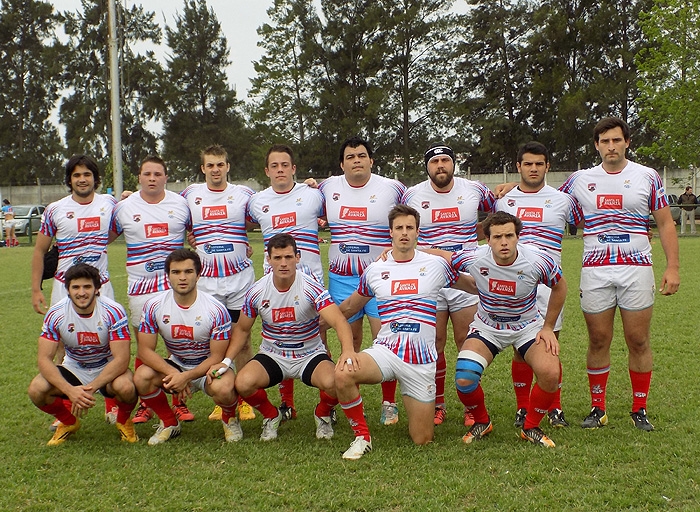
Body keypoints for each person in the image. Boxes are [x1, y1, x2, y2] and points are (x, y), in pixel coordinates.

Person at [559, 117, 680, 431]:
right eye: (604, 141)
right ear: (596, 145)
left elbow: (665, 223)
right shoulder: (580, 179)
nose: (611, 146)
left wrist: (672, 267)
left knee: (638, 340)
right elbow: (546, 200)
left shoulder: (647, 176)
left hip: (636, 268)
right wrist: (512, 189)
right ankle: (598, 408)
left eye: (616, 140)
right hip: (595, 270)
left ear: (627, 142)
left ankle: (639, 409)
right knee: (598, 339)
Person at [334, 204, 468, 460]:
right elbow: (351, 306)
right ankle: (362, 437)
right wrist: (317, 324)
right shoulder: (375, 270)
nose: (404, 232)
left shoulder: (436, 265)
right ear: (391, 232)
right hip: (386, 352)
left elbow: (471, 286)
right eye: (399, 228)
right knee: (343, 373)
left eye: (409, 227)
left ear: (418, 232)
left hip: (421, 361)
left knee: (422, 439)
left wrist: (503, 288)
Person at [438, 211, 567, 447]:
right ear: (487, 240)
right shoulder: (475, 257)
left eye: (509, 235)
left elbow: (560, 286)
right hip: (488, 326)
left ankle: (531, 427)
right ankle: (482, 422)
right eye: (497, 237)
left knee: (550, 373)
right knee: (465, 378)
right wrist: (403, 252)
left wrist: (548, 327)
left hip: (527, 326)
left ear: (518, 236)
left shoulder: (537, 260)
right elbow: (442, 256)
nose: (504, 242)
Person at [209, 233, 354, 442]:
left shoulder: (311, 287)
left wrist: (347, 351)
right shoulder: (256, 291)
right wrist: (226, 361)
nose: (283, 263)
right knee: (243, 383)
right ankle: (271, 415)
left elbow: (339, 321)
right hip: (273, 354)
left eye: (288, 257)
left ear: (298, 257)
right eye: (277, 258)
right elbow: (241, 330)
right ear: (268, 259)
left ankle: (322, 413)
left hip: (309, 353)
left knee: (338, 382)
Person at [402, 143, 495, 426]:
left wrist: (480, 234)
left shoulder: (475, 189)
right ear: (427, 166)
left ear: (453, 163)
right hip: (430, 277)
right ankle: (438, 404)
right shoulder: (413, 194)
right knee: (435, 342)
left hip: (466, 277)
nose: (440, 165)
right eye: (434, 161)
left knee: (466, 340)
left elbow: (495, 212)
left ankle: (470, 407)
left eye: (445, 160)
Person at [318, 136, 406, 425]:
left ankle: (389, 403)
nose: (356, 160)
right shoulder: (327, 187)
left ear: (371, 160)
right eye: (350, 156)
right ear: (341, 164)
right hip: (342, 277)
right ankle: (348, 398)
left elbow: (411, 219)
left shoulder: (393, 188)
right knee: (350, 339)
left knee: (385, 338)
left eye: (361, 155)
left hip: (381, 277)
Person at [496, 141, 583, 429]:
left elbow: (592, 222)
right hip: (515, 284)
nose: (533, 169)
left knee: (550, 344)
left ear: (548, 166)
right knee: (520, 348)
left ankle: (554, 407)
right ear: (518, 167)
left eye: (539, 164)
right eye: (528, 164)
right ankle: (523, 407)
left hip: (549, 285)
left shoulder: (563, 200)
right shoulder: (504, 201)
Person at [30, 155, 120, 424]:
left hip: (101, 285)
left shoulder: (109, 203)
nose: (82, 179)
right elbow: (39, 250)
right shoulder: (55, 209)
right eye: (76, 175)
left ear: (95, 178)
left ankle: (111, 405)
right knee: (62, 344)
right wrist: (36, 289)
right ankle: (69, 405)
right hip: (64, 286)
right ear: (69, 180)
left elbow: (115, 231)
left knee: (108, 340)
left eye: (87, 174)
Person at [111, 155, 195, 424]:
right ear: (139, 177)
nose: (152, 178)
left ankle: (178, 403)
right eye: (147, 174)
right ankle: (145, 404)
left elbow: (198, 232)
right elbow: (104, 237)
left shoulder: (181, 204)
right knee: (144, 346)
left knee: (176, 342)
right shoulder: (123, 207)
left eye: (157, 174)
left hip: (175, 285)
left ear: (166, 177)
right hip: (141, 287)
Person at [246, 144, 326, 421]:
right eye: (274, 166)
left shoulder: (314, 194)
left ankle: (326, 405)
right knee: (280, 335)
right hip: (274, 281)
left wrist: (316, 183)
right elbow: (236, 223)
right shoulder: (256, 201)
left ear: (294, 169)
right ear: (267, 171)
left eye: (285, 165)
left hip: (311, 280)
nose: (280, 170)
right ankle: (286, 403)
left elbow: (338, 206)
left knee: (318, 336)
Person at [181, 144, 257, 423]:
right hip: (207, 283)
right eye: (210, 165)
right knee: (214, 344)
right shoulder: (190, 194)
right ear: (203, 168)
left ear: (228, 166)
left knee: (243, 341)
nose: (216, 170)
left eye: (220, 164)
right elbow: (169, 213)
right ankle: (221, 398)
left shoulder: (244, 194)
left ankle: (246, 399)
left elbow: (262, 215)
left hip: (239, 281)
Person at [133, 249, 239, 445]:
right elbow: (144, 351)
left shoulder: (216, 309)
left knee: (224, 387)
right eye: (176, 272)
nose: (182, 277)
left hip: (209, 365)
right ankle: (169, 422)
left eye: (188, 272)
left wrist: (186, 377)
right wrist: (175, 373)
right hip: (178, 364)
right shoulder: (153, 306)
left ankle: (229, 418)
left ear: (198, 275)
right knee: (142, 376)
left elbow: (217, 356)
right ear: (168, 275)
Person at [27, 263, 138, 445]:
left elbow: (121, 359)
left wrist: (90, 389)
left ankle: (123, 421)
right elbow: (44, 359)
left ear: (97, 289)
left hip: (107, 367)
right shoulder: (56, 313)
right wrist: (70, 390)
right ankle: (69, 422)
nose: (81, 293)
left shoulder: (113, 311)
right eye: (76, 287)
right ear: (67, 290)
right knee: (36, 389)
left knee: (126, 387)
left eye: (87, 286)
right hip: (74, 367)